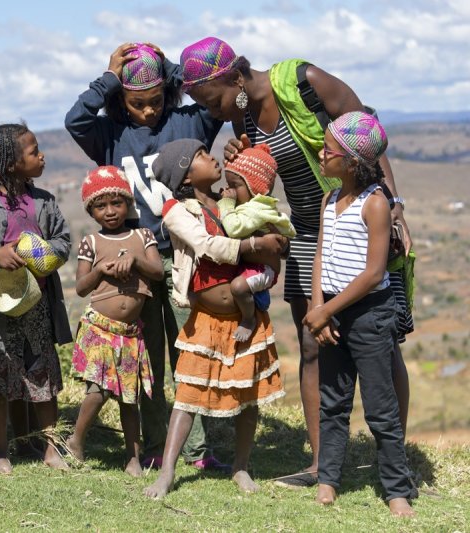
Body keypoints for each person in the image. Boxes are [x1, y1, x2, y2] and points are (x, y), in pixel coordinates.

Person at [179, 36, 414, 485]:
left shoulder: (304, 82)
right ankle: (321, 465)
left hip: (361, 219)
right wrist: (241, 161)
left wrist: (392, 201)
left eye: (212, 101)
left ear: (232, 78)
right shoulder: (242, 116)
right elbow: (256, 181)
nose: (213, 113)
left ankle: (395, 464)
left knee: (382, 346)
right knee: (312, 343)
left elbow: (367, 131)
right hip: (308, 228)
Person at [65, 41, 228, 472]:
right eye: (137, 104)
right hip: (131, 265)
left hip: (184, 259)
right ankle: (155, 444)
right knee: (147, 357)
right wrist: (108, 78)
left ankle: (195, 449)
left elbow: (235, 101)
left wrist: (173, 71)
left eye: (156, 101)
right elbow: (75, 118)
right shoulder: (110, 134)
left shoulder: (188, 122)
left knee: (189, 353)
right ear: (121, 99)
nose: (149, 111)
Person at [143, 139, 287, 498]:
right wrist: (254, 246)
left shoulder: (230, 201)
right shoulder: (177, 211)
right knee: (188, 395)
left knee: (247, 395)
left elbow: (261, 213)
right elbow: (207, 245)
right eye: (202, 156)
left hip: (244, 314)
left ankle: (241, 466)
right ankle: (167, 472)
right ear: (187, 175)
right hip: (206, 318)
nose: (212, 157)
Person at [303, 112, 415, 517]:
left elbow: (373, 274)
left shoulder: (376, 204)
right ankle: (329, 480)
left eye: (327, 150)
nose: (320, 153)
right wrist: (318, 306)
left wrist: (326, 310)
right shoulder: (328, 199)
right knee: (333, 401)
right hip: (331, 311)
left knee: (380, 406)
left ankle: (397, 489)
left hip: (368, 314)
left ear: (350, 162)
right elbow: (320, 255)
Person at [0, 124, 72, 474]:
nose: (41, 156)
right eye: (33, 151)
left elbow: (64, 242)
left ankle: (51, 449)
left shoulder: (44, 202)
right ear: (12, 163)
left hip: (38, 307)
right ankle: (1, 453)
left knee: (42, 376)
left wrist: (38, 253)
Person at [66, 166, 163, 477]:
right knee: (98, 391)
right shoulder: (91, 242)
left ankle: (132, 458)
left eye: (116, 203)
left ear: (128, 203)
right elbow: (81, 287)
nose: (109, 211)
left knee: (128, 397)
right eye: (100, 205)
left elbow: (158, 272)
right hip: (100, 329)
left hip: (130, 334)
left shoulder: (142, 236)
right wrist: (101, 271)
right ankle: (76, 441)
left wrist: (135, 261)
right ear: (91, 210)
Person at [217, 142, 296, 341]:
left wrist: (226, 205)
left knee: (238, 287)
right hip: (254, 266)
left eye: (236, 185)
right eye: (229, 185)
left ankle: (248, 319)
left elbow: (234, 229)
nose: (231, 191)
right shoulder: (252, 205)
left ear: (254, 186)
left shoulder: (256, 209)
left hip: (263, 269)